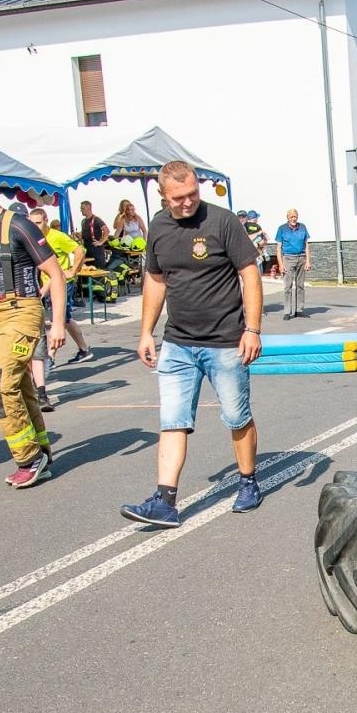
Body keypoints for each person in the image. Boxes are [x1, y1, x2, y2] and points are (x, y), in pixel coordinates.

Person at [120, 160, 264, 528]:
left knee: (236, 416)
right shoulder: (158, 227)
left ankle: (248, 481)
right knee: (173, 420)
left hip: (225, 342)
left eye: (193, 194)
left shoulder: (222, 221)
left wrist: (252, 329)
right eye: (178, 198)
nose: (187, 202)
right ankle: (164, 502)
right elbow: (156, 280)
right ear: (163, 195)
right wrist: (146, 332)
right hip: (178, 343)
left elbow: (249, 274)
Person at [0, 178, 67, 487]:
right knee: (18, 385)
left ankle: (28, 458)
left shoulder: (19, 225)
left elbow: (56, 274)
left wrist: (58, 324)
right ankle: (41, 451)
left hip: (22, 313)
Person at [29, 205, 93, 367]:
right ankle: (84, 349)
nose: (35, 227)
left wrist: (73, 270)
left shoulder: (57, 236)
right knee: (66, 318)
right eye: (32, 223)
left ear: (46, 221)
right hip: (47, 283)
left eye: (38, 223)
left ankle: (50, 357)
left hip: (63, 282)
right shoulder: (33, 238)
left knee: (58, 319)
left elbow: (79, 250)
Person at [275, 208, 311, 319]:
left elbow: (306, 244)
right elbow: (278, 248)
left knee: (300, 286)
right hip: (288, 258)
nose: (294, 219)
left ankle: (299, 310)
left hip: (301, 257)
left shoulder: (302, 227)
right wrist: (281, 264)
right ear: (288, 218)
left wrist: (308, 261)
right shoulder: (282, 229)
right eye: (291, 217)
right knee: (288, 286)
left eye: (295, 216)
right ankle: (287, 312)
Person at [78, 200, 109, 269]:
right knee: (88, 270)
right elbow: (84, 235)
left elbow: (106, 231)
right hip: (87, 249)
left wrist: (101, 242)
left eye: (82, 208)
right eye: (81, 209)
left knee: (100, 270)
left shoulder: (96, 220)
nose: (81, 210)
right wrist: (79, 235)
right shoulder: (83, 221)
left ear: (88, 208)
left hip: (96, 250)